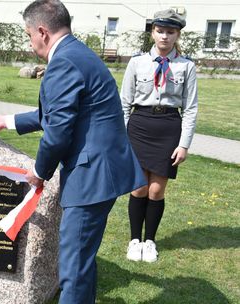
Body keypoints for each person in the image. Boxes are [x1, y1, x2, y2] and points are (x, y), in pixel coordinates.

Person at [0, 1, 146, 303]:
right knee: (82, 259)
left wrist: (39, 172)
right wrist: (8, 121)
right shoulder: (76, 53)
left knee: (72, 268)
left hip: (91, 176)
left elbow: (57, 133)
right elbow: (62, 113)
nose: (30, 44)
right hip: (102, 170)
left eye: (29, 35)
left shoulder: (64, 62)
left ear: (42, 31)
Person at [121, 9, 198, 263]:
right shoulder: (137, 62)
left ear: (177, 35)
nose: (165, 36)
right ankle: (135, 240)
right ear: (153, 32)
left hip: (168, 127)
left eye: (171, 32)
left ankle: (150, 241)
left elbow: (190, 108)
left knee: (156, 190)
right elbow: (124, 103)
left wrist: (184, 144)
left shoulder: (186, 66)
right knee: (139, 187)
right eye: (160, 31)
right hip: (140, 125)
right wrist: (122, 137)